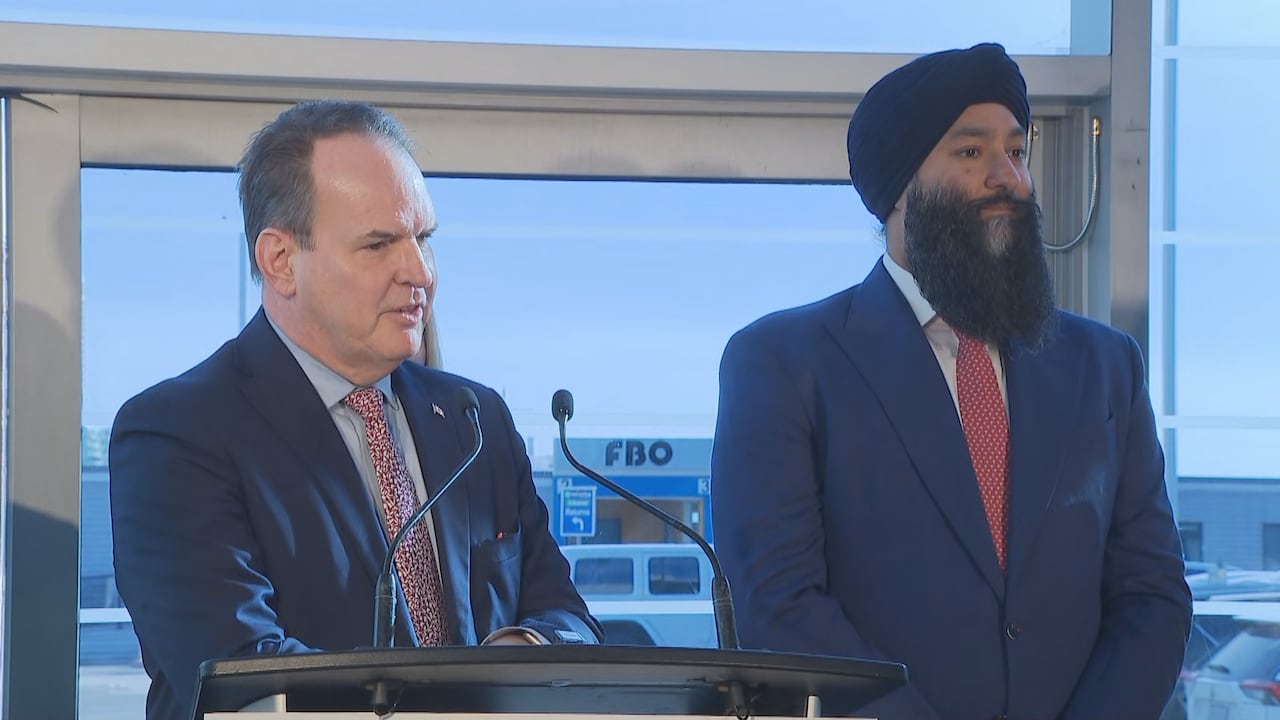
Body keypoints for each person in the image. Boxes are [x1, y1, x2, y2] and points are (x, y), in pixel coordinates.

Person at [710, 43, 1191, 720]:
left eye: (1017, 152)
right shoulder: (785, 364)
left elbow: (1152, 592)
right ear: (900, 188)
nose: (1008, 177)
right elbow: (781, 608)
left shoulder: (1105, 366)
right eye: (971, 154)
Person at [110, 100, 601, 720]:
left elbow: (567, 617)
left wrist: (522, 646)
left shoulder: (476, 419)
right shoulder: (176, 434)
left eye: (423, 239)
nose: (420, 272)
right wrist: (460, 702)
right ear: (280, 261)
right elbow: (239, 675)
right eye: (378, 245)